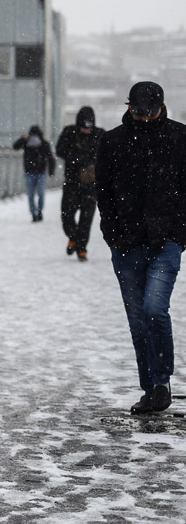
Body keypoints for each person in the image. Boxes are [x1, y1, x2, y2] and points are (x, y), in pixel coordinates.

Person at [97, 81, 185, 414]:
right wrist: (113, 234)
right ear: (129, 108)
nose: (144, 119)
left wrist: (178, 234)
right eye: (137, 112)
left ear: (161, 107)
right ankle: (152, 390)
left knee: (154, 310)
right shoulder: (113, 141)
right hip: (127, 244)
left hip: (166, 242)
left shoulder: (180, 137)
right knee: (137, 321)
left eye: (149, 112)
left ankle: (161, 381)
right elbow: (103, 193)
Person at [56, 106, 104, 261]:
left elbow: (108, 155)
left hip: (91, 185)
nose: (86, 131)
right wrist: (77, 157)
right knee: (66, 215)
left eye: (89, 128)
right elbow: (59, 150)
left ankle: (82, 249)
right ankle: (73, 237)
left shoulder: (100, 135)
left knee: (86, 218)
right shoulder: (69, 132)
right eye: (83, 127)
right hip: (71, 182)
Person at [13, 125, 56, 222]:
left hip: (39, 173)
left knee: (38, 194)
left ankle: (38, 211)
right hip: (30, 172)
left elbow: (50, 158)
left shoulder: (44, 144)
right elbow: (15, 146)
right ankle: (34, 213)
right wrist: (23, 139)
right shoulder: (27, 143)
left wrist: (51, 171)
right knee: (32, 195)